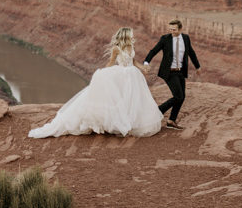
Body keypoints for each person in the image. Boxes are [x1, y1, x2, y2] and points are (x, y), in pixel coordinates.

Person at [28, 27, 163, 138]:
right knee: (119, 99)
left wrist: (143, 68)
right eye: (131, 34)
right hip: (121, 75)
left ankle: (130, 123)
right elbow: (111, 62)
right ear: (126, 35)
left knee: (131, 100)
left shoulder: (131, 46)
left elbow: (134, 62)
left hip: (132, 75)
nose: (133, 35)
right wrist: (102, 73)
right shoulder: (117, 48)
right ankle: (119, 124)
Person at [143, 18, 200, 130]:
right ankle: (158, 110)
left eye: (174, 30)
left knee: (182, 97)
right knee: (178, 96)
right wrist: (146, 62)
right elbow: (154, 51)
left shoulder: (186, 38)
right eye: (170, 29)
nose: (171, 31)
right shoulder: (165, 39)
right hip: (169, 72)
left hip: (180, 72)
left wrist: (197, 66)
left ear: (180, 29)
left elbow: (191, 53)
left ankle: (171, 120)